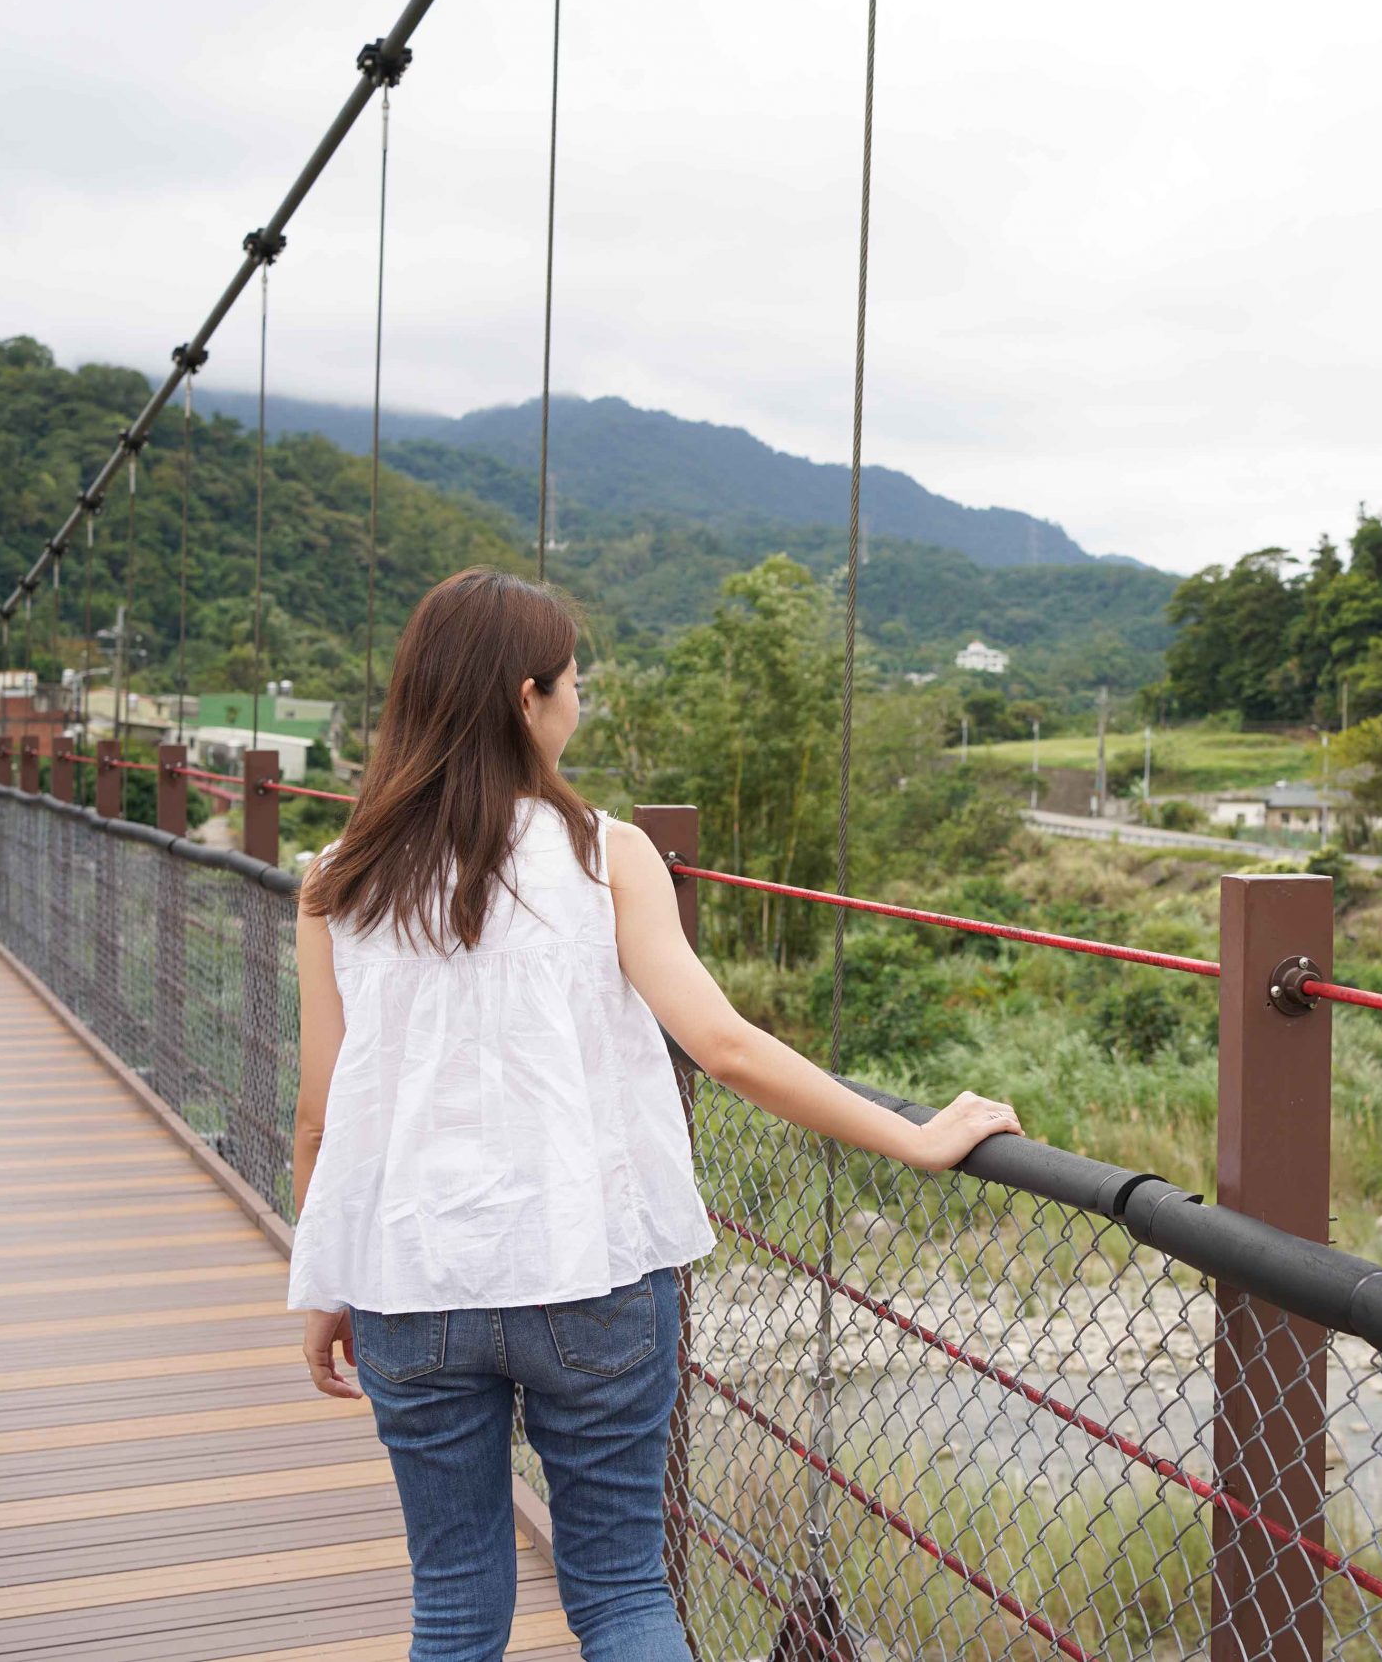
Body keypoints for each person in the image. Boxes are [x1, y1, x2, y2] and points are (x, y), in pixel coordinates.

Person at [288, 569, 1019, 1662]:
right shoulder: (605, 855)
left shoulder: (339, 879)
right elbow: (721, 1046)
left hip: (410, 1279)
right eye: (575, 680)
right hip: (594, 1275)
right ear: (529, 697)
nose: (580, 701)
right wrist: (912, 1137)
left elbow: (317, 1113)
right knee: (624, 1593)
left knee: (451, 1604)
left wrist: (328, 1280)